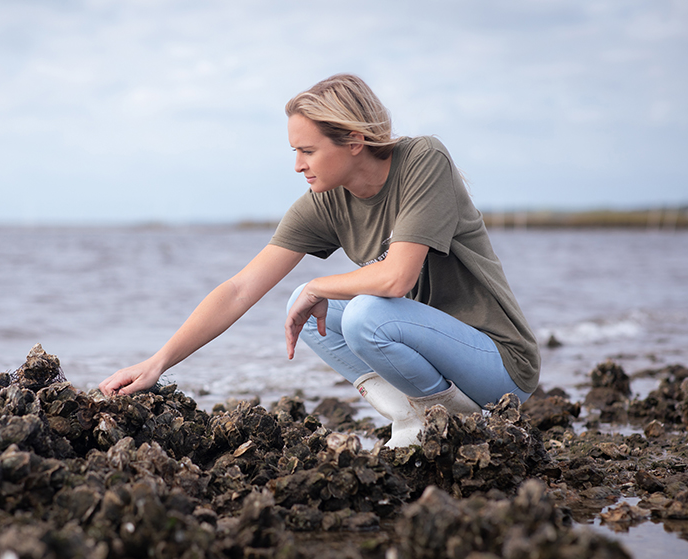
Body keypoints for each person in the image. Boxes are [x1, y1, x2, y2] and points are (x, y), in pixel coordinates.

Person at [100, 73, 540, 448]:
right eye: (295, 151)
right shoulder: (324, 202)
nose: (297, 165)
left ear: (353, 140)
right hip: (437, 363)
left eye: (307, 151)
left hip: (499, 367)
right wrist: (157, 362)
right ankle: (412, 418)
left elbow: (396, 279)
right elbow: (239, 290)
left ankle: (451, 421)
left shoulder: (422, 159)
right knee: (307, 309)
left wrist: (319, 285)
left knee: (361, 311)